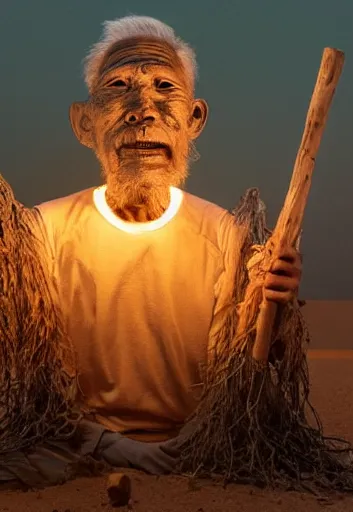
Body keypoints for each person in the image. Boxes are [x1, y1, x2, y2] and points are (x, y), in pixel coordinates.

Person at [0, 15, 302, 484]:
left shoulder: (226, 236)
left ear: (193, 119)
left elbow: (256, 366)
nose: (143, 109)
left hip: (194, 448)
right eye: (118, 87)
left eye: (165, 87)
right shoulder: (42, 233)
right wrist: (105, 443)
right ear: (85, 122)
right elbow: (29, 387)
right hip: (74, 444)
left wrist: (275, 307)